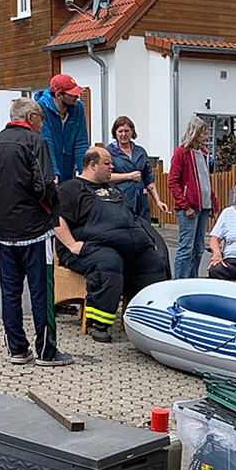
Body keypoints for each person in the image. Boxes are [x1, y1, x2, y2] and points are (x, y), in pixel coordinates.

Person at [0, 97, 70, 366]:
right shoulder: (35, 143)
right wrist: (46, 205)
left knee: (10, 292)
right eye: (41, 117)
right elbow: (44, 184)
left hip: (6, 231)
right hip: (36, 230)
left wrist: (2, 206)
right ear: (30, 118)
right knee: (42, 292)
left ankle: (17, 349)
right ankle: (46, 351)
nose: (43, 121)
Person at [55, 144, 169, 342]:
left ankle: (150, 320)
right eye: (107, 163)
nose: (112, 168)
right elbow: (56, 219)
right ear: (92, 165)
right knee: (108, 263)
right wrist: (72, 244)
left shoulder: (112, 189)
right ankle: (98, 323)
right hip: (89, 249)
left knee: (154, 265)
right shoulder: (71, 188)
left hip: (127, 247)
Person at [167, 116, 214, 278]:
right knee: (186, 247)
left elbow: (206, 180)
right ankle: (180, 280)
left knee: (198, 247)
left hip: (203, 207)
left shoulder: (203, 153)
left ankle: (192, 279)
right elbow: (172, 181)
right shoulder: (181, 153)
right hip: (189, 207)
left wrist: (212, 203)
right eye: (204, 133)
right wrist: (184, 205)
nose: (206, 137)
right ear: (195, 133)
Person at [35, 73, 90, 183]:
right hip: (51, 171)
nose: (77, 97)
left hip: (69, 170)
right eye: (72, 94)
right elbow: (47, 143)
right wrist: (53, 173)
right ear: (59, 95)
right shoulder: (41, 109)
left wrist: (85, 173)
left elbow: (81, 142)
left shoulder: (78, 108)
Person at [106, 116, 156, 224]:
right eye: (120, 131)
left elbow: (148, 178)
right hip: (119, 200)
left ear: (132, 131)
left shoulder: (140, 152)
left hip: (141, 201)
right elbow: (105, 176)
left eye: (127, 131)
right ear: (115, 133)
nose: (124, 134)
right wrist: (128, 176)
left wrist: (158, 200)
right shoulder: (108, 152)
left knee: (145, 232)